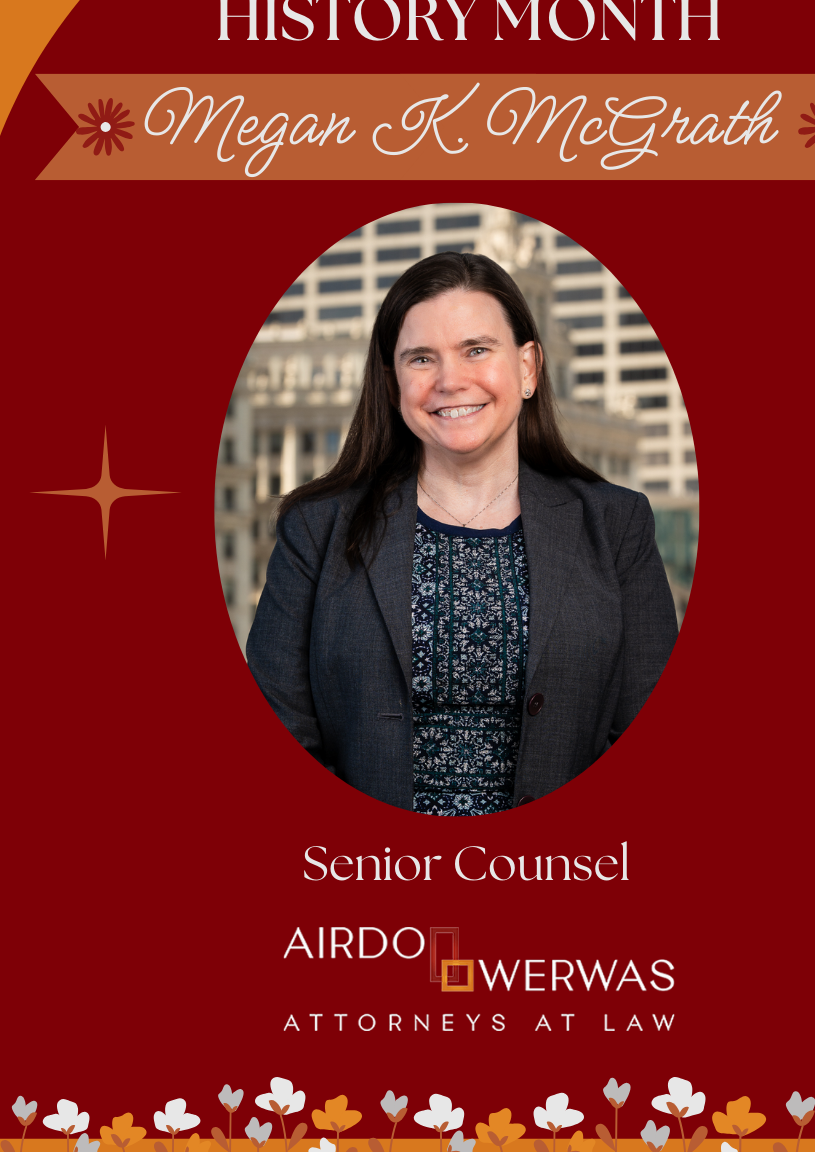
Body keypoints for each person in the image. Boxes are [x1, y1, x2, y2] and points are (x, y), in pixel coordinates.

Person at [246, 251, 679, 814]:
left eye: (476, 350)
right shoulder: (316, 528)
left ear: (528, 368)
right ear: (392, 383)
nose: (450, 381)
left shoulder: (617, 524)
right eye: (421, 358)